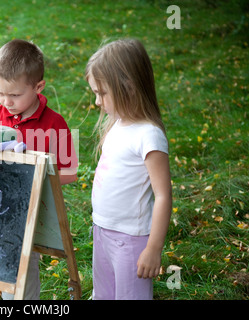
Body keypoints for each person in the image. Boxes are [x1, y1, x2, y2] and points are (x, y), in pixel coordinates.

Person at [0, 39, 78, 300]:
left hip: (26, 220)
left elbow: (70, 173)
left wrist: (29, 169)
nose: (6, 102)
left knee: (18, 285)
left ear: (38, 87)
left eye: (14, 95)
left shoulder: (54, 124)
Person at [85, 38, 172, 300]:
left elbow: (164, 195)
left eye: (102, 93)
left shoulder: (149, 136)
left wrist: (153, 248)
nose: (98, 102)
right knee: (104, 294)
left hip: (131, 240)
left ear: (129, 87)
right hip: (101, 231)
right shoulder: (117, 123)